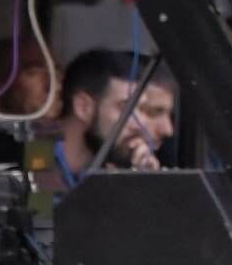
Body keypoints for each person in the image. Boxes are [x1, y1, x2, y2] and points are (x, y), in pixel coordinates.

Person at [54, 49, 177, 189]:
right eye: (131, 108)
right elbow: (41, 208)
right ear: (84, 107)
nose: (168, 129)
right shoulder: (33, 158)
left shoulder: (106, 171)